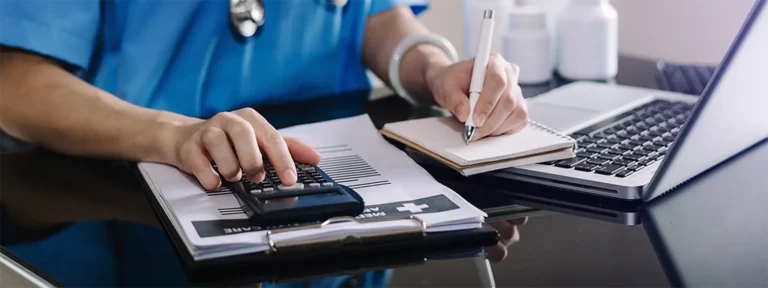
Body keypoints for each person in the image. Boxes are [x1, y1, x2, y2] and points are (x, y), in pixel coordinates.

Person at [0, 0, 528, 191]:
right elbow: (16, 81)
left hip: (332, 178)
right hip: (127, 181)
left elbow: (371, 14)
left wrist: (432, 70)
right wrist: (174, 134)